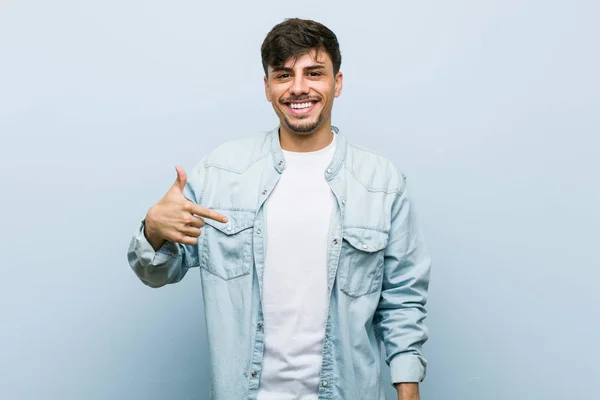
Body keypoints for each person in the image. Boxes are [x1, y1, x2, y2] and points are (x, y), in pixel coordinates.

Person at [127, 17, 431, 400]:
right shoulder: (221, 173)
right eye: (284, 75)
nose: (299, 88)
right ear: (268, 88)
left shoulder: (382, 182)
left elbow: (403, 298)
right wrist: (153, 229)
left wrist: (408, 390)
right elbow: (157, 274)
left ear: (337, 83)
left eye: (314, 73)